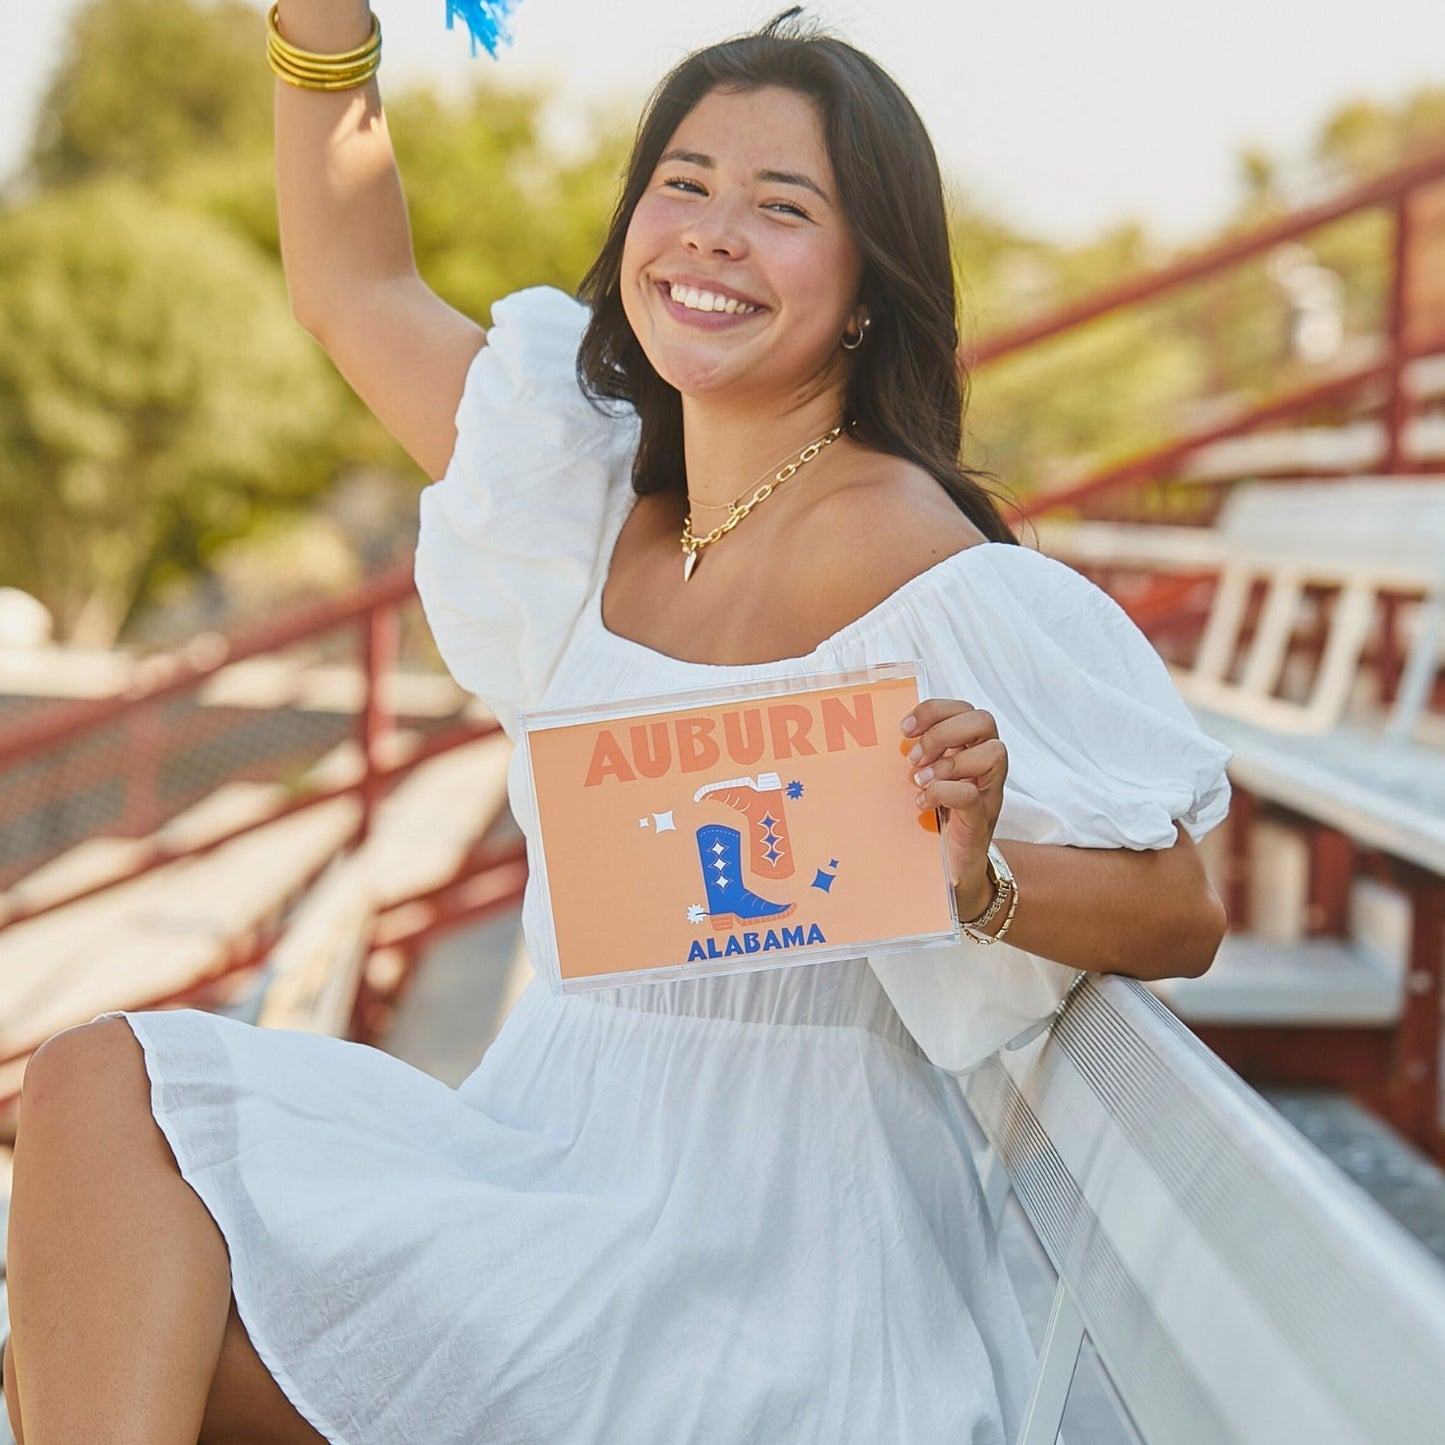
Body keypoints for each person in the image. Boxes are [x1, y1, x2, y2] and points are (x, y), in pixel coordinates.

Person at [3, 7, 1233, 1442]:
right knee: (104, 1096)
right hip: (538, 1153)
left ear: (864, 286)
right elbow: (351, 284)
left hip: (764, 1251)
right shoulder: (595, 494)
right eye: (684, 184)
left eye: (781, 207)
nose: (712, 233)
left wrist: (977, 879)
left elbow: (1183, 906)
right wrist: (321, 29)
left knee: (120, 1328)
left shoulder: (910, 556)